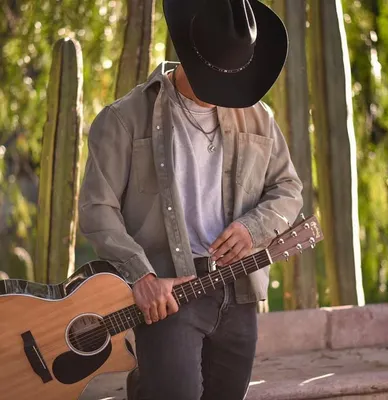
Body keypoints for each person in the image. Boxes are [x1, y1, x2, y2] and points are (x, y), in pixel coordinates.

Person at [78, 0, 303, 399]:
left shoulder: (260, 118)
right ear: (190, 54)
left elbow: (288, 189)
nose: (226, 91)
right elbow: (98, 210)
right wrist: (141, 276)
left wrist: (252, 229)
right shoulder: (123, 119)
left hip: (239, 289)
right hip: (168, 292)